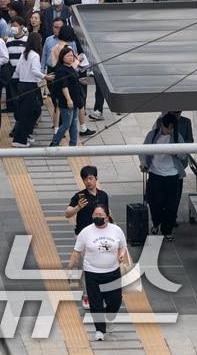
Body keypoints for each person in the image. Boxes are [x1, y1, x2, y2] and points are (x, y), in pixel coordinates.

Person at [69, 204, 130, 341]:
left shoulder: (116, 230)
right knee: (95, 302)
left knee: (115, 300)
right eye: (95, 216)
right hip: (92, 272)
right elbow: (77, 251)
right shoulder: (86, 232)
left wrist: (121, 255)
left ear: (107, 217)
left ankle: (109, 318)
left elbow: (123, 246)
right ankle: (100, 330)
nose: (97, 218)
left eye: (100, 216)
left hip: (112, 271)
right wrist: (69, 267)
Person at [139, 113, 190, 241]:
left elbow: (184, 155)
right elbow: (142, 150)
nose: (170, 131)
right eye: (168, 128)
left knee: (171, 205)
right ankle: (156, 223)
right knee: (154, 201)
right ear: (162, 125)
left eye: (172, 128)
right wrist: (144, 163)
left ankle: (167, 230)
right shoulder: (153, 135)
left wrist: (176, 153)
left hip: (173, 176)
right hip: (155, 174)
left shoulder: (178, 137)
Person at [7, 17, 44, 147]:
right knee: (28, 113)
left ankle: (26, 134)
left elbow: (17, 70)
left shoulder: (25, 54)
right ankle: (19, 140)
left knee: (35, 110)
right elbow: (35, 71)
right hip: (29, 86)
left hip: (22, 84)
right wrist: (45, 77)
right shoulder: (34, 55)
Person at [48, 45, 84, 147]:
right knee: (66, 124)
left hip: (75, 99)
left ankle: (73, 144)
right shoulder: (61, 70)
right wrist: (68, 99)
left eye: (72, 56)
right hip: (67, 101)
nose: (71, 57)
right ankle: (55, 143)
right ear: (62, 57)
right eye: (68, 56)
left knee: (74, 123)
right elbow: (64, 86)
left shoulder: (70, 68)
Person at [66, 165, 110, 234]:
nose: (88, 181)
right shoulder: (79, 196)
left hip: (100, 232)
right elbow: (67, 214)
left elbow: (107, 213)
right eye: (85, 179)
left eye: (90, 178)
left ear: (96, 178)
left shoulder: (103, 195)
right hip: (83, 233)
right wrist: (78, 207)